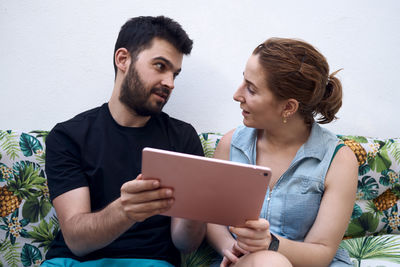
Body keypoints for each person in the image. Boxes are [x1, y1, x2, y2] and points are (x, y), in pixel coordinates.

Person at [43, 16, 206, 267]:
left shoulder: (182, 137)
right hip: (71, 262)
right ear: (123, 59)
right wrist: (125, 211)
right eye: (160, 66)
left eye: (175, 73)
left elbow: (185, 243)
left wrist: (196, 207)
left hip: (151, 262)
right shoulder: (68, 136)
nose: (170, 83)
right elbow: (77, 240)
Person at [207, 38, 358, 267]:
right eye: (243, 81)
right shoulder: (231, 145)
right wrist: (229, 247)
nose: (237, 95)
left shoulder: (339, 160)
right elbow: (213, 219)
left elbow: (322, 252)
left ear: (288, 107)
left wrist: (270, 243)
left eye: (251, 88)